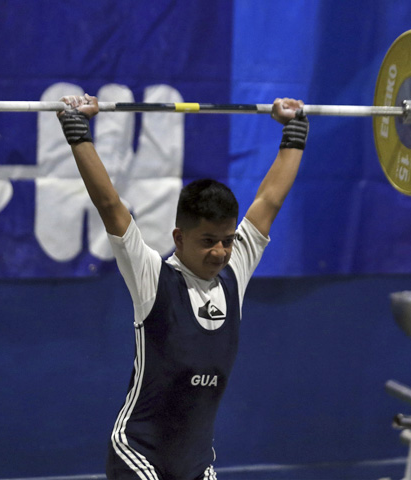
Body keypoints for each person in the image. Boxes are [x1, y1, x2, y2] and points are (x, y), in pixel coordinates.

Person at [57, 94, 308, 480]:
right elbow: (110, 205)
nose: (221, 251)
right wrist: (77, 130)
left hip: (196, 464)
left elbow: (270, 200)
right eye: (208, 241)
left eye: (227, 239)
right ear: (179, 236)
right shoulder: (152, 277)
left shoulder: (234, 270)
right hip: (139, 455)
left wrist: (294, 130)